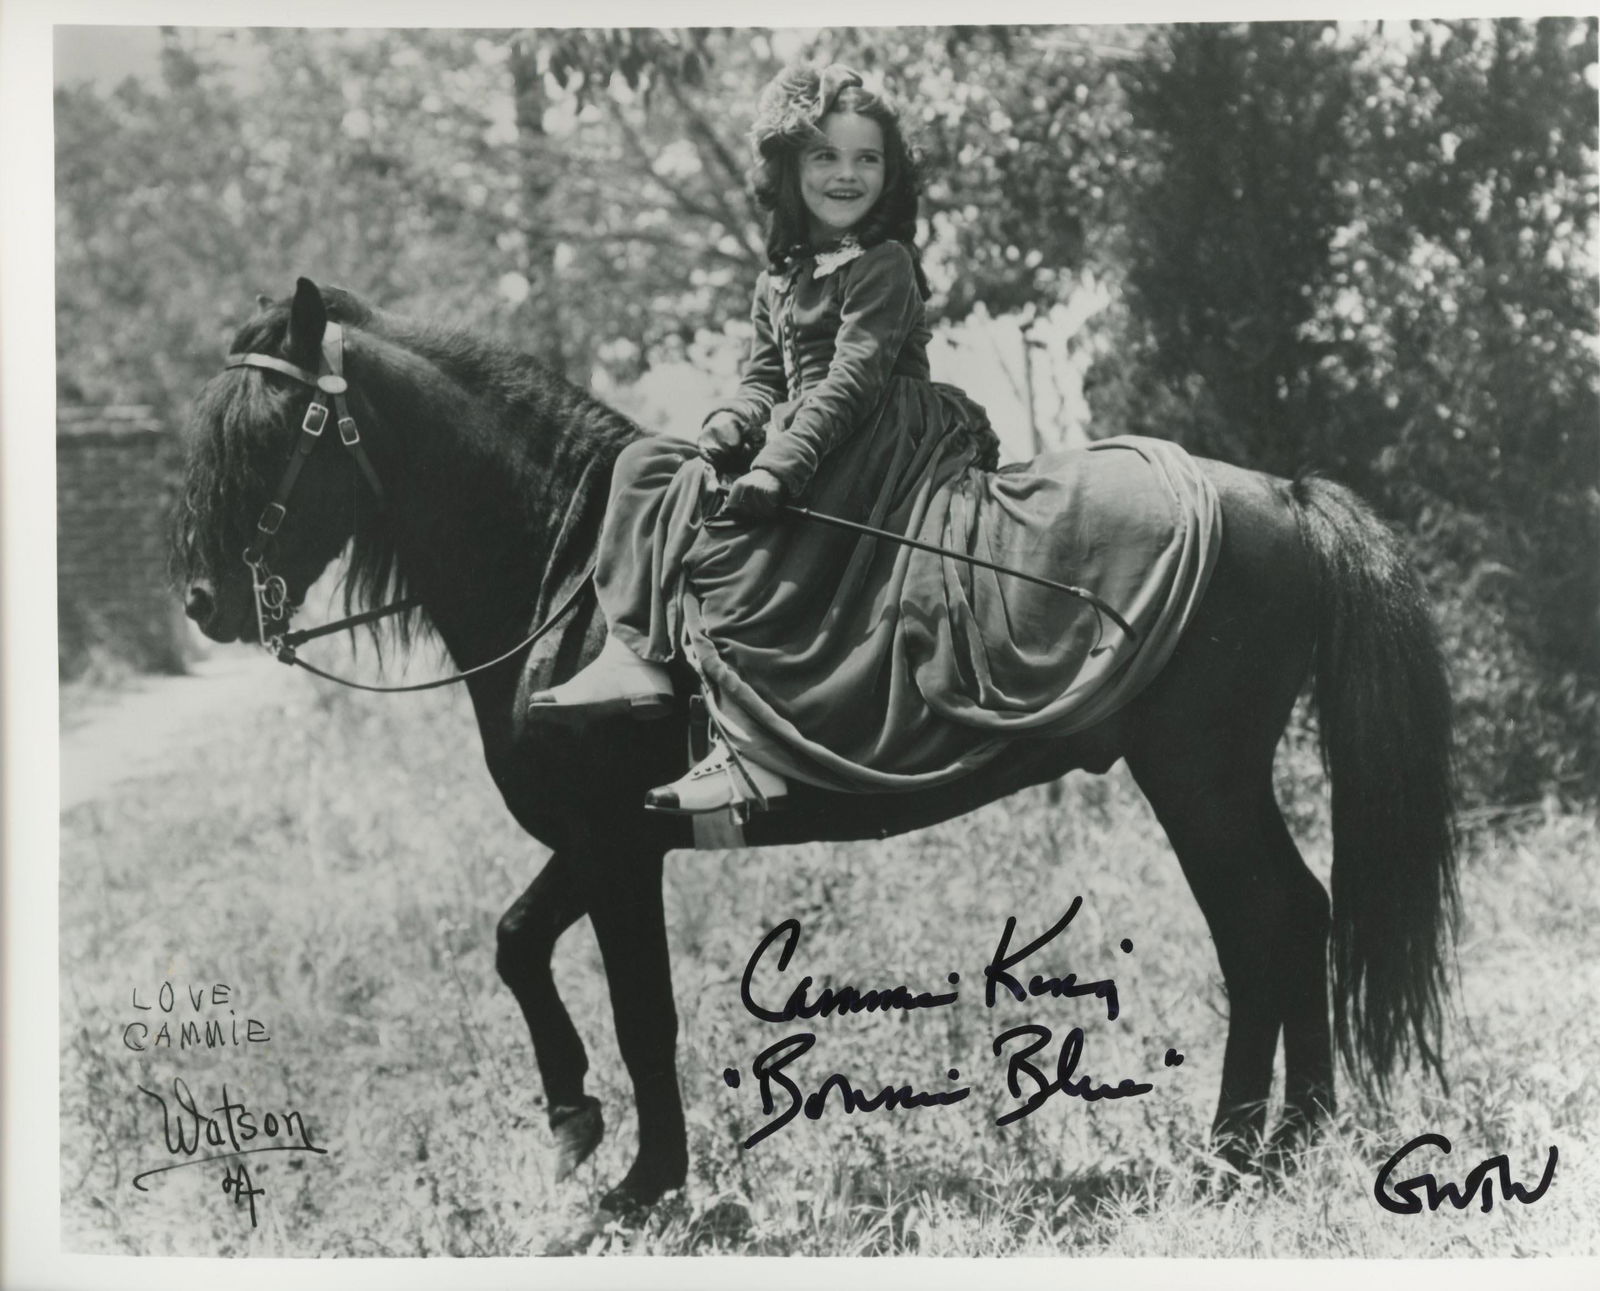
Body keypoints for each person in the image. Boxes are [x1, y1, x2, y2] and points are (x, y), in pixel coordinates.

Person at [529, 63, 1220, 815]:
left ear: (889, 175)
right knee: (649, 464)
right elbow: (768, 380)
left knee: (745, 559)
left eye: (867, 158)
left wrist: (783, 464)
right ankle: (636, 657)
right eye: (825, 157)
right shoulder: (780, 280)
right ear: (789, 172)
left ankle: (752, 750)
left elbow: (854, 379)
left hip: (878, 436)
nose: (846, 174)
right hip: (811, 430)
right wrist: (732, 424)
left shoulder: (883, 265)